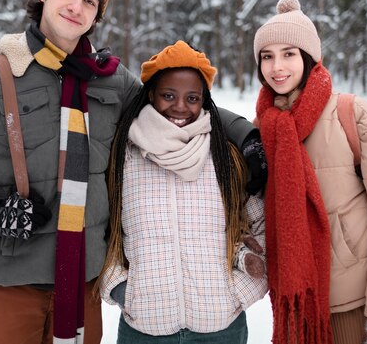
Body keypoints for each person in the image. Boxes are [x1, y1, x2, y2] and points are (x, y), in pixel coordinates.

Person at [0, 0, 266, 344]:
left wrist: (245, 135)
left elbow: (176, 108)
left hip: (84, 284)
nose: (76, 7)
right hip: (8, 283)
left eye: (90, 0)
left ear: (98, 14)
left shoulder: (112, 83)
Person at [252, 0, 367, 344]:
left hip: (355, 307)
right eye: (267, 57)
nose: (277, 67)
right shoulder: (261, 129)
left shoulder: (352, 114)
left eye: (289, 54)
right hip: (296, 310)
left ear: (309, 57)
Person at [98, 40, 268, 343]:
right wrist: (121, 288)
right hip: (144, 329)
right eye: (168, 95)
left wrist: (238, 294)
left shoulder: (225, 158)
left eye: (192, 97)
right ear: (150, 95)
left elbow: (262, 224)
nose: (180, 106)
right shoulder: (124, 157)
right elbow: (100, 227)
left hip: (221, 328)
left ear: (204, 100)